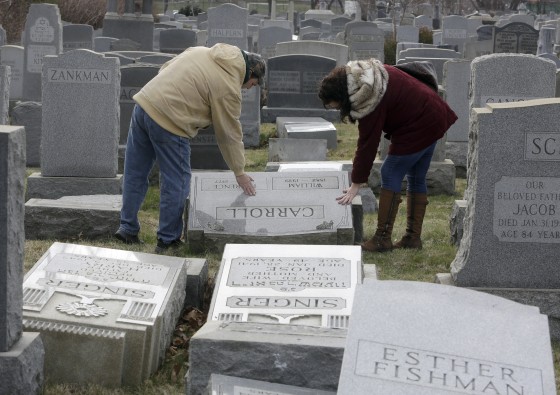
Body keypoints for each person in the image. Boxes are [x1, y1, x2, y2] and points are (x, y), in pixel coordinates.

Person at [114, 43, 266, 253]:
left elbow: (165, 69)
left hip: (144, 105)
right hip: (171, 121)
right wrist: (239, 172)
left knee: (135, 172)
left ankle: (127, 228)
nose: (249, 88)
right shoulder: (228, 86)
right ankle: (168, 240)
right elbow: (229, 133)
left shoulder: (200, 51)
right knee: (177, 180)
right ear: (250, 72)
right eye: (253, 83)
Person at [318, 59, 457, 252]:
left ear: (342, 95)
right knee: (416, 176)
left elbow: (368, 143)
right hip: (434, 114)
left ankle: (382, 238)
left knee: (390, 171)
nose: (337, 110)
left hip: (420, 123)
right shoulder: (367, 75)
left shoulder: (367, 97)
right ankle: (412, 238)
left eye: (335, 106)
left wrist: (355, 184)